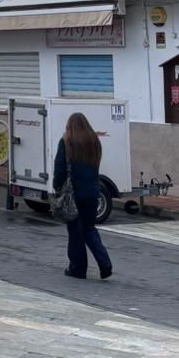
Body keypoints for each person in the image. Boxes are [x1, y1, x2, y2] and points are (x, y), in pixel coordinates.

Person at [55, 112, 114, 281]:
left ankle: (78, 268)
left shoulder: (67, 142)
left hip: (73, 193)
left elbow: (59, 168)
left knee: (75, 231)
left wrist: (57, 187)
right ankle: (105, 264)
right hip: (93, 191)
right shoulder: (94, 142)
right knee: (89, 228)